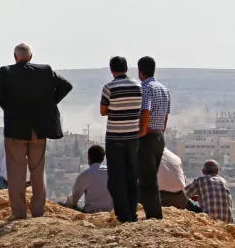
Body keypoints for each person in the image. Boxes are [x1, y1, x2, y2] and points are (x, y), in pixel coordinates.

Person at [0, 43, 73, 220]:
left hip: (16, 129)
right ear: (31, 57)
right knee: (37, 170)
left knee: (16, 172)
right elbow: (66, 85)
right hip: (39, 129)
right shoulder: (45, 71)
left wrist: (8, 107)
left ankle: (19, 212)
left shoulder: (6, 72)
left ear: (15, 57)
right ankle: (38, 211)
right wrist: (49, 104)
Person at [99, 56, 142, 223]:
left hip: (115, 137)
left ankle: (123, 215)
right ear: (126, 68)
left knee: (116, 178)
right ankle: (132, 213)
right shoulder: (138, 86)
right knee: (132, 176)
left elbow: (103, 111)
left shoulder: (109, 87)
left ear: (112, 70)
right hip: (133, 136)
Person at [137, 56, 171, 220]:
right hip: (158, 137)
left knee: (147, 179)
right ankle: (150, 212)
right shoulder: (164, 89)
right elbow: (166, 115)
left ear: (140, 71)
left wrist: (141, 132)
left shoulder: (145, 88)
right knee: (149, 177)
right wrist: (160, 130)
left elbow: (145, 110)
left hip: (148, 137)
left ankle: (154, 215)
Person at [64, 145, 114, 213]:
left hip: (91, 213)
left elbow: (74, 200)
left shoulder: (84, 175)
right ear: (103, 159)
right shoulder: (112, 174)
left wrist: (68, 201)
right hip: (111, 213)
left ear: (88, 158)